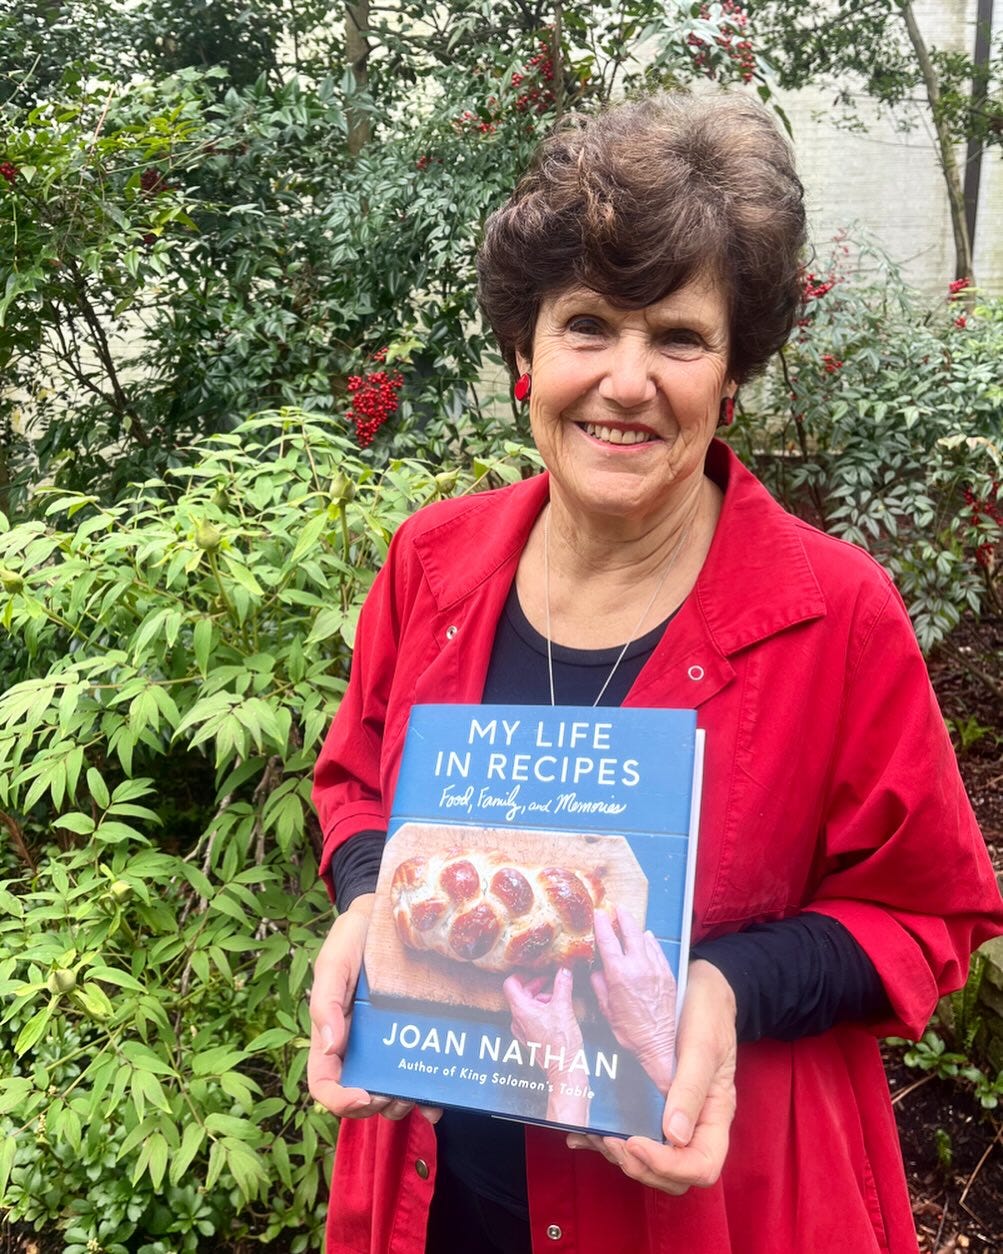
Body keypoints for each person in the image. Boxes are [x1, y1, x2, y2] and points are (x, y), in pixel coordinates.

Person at [308, 93, 1003, 1254]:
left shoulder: (834, 616)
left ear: (730, 377)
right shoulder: (431, 563)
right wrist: (373, 900)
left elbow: (923, 909)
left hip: (707, 1206)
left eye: (678, 337)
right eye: (587, 325)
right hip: (434, 1196)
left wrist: (723, 986)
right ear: (524, 353)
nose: (627, 381)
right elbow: (357, 781)